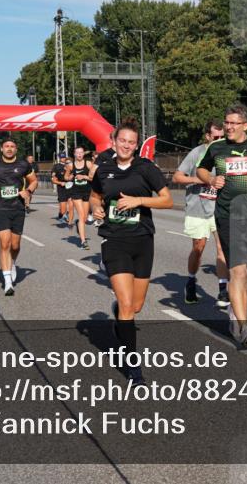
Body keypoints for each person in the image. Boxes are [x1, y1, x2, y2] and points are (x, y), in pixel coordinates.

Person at [90, 118, 172, 385]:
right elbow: (95, 196)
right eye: (122, 141)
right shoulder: (103, 169)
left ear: (137, 146)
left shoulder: (145, 168)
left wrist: (139, 200)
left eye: (131, 142)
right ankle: (132, 365)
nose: (126, 145)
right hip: (114, 240)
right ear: (113, 142)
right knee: (127, 305)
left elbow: (167, 200)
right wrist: (96, 208)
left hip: (142, 240)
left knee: (135, 306)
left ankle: (119, 323)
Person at [196, 104, 247, 348]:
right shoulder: (217, 147)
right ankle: (243, 326)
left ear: (245, 125)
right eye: (226, 123)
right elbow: (201, 169)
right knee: (237, 270)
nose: (229, 127)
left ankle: (235, 316)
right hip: (227, 214)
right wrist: (210, 178)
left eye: (234, 123)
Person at [171, 119, 229, 305]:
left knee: (222, 249)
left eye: (222, 137)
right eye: (216, 137)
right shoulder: (196, 154)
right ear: (207, 136)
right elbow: (177, 177)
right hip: (197, 207)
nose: (219, 140)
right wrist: (200, 180)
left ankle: (222, 290)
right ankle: (190, 280)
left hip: (219, 208)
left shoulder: (228, 154)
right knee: (199, 248)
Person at [0, 139, 38, 296]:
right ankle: (7, 282)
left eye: (12, 146)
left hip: (18, 208)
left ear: (16, 149)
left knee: (15, 245)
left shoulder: (23, 165)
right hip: (0, 208)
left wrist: (28, 191)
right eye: (6, 146)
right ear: (1, 149)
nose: (9, 149)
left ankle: (12, 263)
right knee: (4, 243)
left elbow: (33, 181)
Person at [69, 147, 94, 249]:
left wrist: (83, 177)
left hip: (87, 192)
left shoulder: (88, 164)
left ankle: (78, 223)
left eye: (81, 152)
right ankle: (83, 241)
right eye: (77, 153)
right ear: (74, 154)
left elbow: (93, 178)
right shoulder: (70, 165)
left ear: (83, 154)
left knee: (84, 218)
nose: (79, 154)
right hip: (76, 192)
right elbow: (66, 177)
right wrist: (70, 177)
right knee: (81, 215)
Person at [50, 153, 71, 223]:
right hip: (61, 187)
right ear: (59, 158)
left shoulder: (70, 165)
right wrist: (60, 183)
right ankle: (62, 214)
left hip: (70, 186)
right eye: (62, 157)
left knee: (71, 204)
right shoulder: (56, 166)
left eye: (64, 157)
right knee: (63, 207)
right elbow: (53, 180)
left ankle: (67, 216)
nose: (63, 158)